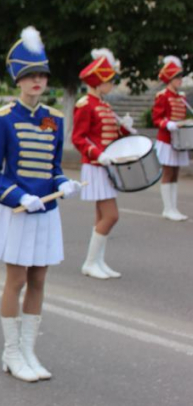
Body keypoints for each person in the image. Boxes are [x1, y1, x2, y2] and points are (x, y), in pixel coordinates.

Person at [0, 27, 82, 383]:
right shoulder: (3, 118)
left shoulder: (54, 118)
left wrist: (63, 184)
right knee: (17, 279)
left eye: (41, 75)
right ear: (18, 80)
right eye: (30, 76)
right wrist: (19, 195)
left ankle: (28, 350)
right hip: (19, 210)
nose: (37, 81)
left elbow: (53, 167)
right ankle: (10, 352)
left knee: (39, 279)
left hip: (46, 213)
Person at [72, 49, 134, 279]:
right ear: (97, 83)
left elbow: (111, 136)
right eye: (108, 82)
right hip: (96, 164)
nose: (111, 86)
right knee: (111, 216)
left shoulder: (103, 104)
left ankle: (97, 261)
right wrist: (97, 154)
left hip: (106, 164)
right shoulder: (85, 104)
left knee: (101, 216)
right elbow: (78, 138)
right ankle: (90, 262)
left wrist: (125, 128)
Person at [152, 56, 190, 221]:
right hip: (167, 139)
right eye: (177, 77)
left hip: (180, 141)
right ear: (169, 79)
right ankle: (167, 208)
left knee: (176, 173)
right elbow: (157, 118)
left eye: (181, 77)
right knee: (168, 172)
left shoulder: (181, 97)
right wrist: (169, 124)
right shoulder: (163, 96)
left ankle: (174, 207)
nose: (180, 80)